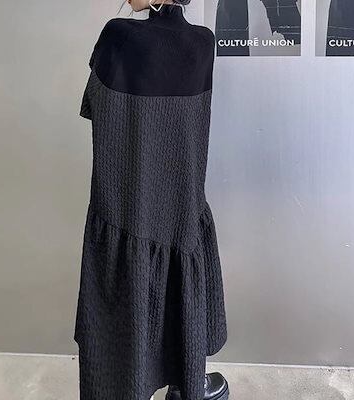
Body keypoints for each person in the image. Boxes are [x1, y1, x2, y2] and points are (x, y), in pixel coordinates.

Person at [73, 1, 229, 399]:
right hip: (182, 202)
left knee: (127, 290)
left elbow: (92, 106)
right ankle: (186, 382)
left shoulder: (119, 35)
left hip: (126, 201)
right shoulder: (203, 42)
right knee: (176, 270)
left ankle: (126, 388)